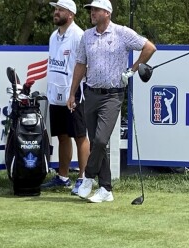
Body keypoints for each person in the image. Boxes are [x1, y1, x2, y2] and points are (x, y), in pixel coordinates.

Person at [67, 0, 156, 203]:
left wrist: (132, 70)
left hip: (113, 95)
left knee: (99, 140)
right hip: (90, 94)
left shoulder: (122, 33)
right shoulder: (87, 36)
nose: (92, 13)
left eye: (96, 10)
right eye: (91, 10)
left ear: (107, 13)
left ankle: (88, 177)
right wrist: (72, 93)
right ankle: (106, 189)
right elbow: (81, 64)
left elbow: (149, 48)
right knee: (98, 143)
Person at [41, 0, 90, 196]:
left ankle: (83, 178)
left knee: (79, 135)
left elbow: (84, 65)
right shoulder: (54, 36)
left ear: (70, 14)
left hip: (74, 93)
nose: (55, 12)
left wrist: (73, 92)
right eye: (55, 9)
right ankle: (62, 177)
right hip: (56, 94)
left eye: (59, 9)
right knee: (62, 135)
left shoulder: (79, 36)